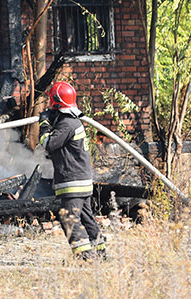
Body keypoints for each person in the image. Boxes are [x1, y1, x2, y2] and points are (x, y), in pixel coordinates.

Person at [39, 81, 107, 260]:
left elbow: (49, 144)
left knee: (69, 218)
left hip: (72, 181)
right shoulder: (71, 121)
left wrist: (44, 124)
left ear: (56, 102)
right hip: (82, 180)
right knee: (86, 218)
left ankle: (85, 258)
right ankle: (99, 252)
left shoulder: (67, 124)